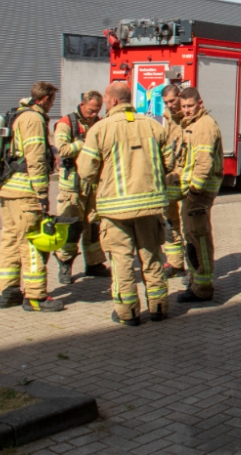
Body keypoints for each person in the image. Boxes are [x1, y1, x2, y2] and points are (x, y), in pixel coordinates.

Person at [77, 83, 174, 325]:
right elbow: (170, 161)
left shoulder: (99, 129)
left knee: (121, 260)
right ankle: (159, 307)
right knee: (152, 257)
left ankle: (128, 313)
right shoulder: (154, 126)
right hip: (150, 207)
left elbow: (86, 171)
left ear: (113, 102)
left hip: (114, 209)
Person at [0, 81, 62, 312]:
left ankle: (8, 291)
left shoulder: (16, 114)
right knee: (32, 243)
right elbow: (35, 159)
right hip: (25, 192)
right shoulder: (33, 119)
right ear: (45, 99)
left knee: (10, 242)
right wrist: (42, 194)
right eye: (53, 100)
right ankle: (35, 297)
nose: (53, 104)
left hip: (7, 188)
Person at [173, 87, 224, 302]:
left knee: (199, 237)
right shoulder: (191, 124)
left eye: (190, 106)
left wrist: (194, 190)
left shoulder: (203, 126)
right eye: (183, 106)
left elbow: (204, 164)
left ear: (200, 104)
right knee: (192, 236)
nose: (186, 110)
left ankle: (202, 288)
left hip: (199, 192)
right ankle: (196, 280)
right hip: (193, 192)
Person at [52, 90, 109, 284]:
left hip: (92, 184)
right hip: (72, 185)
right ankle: (65, 262)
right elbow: (63, 150)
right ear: (82, 105)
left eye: (97, 111)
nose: (94, 114)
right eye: (91, 110)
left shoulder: (99, 123)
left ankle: (94, 263)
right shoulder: (66, 123)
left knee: (93, 224)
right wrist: (84, 143)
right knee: (71, 226)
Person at [160, 84, 186, 278]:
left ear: (180, 96)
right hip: (171, 176)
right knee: (170, 221)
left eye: (172, 101)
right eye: (166, 102)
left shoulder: (188, 116)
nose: (170, 105)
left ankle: (193, 267)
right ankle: (176, 263)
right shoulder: (169, 117)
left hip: (186, 176)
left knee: (189, 224)